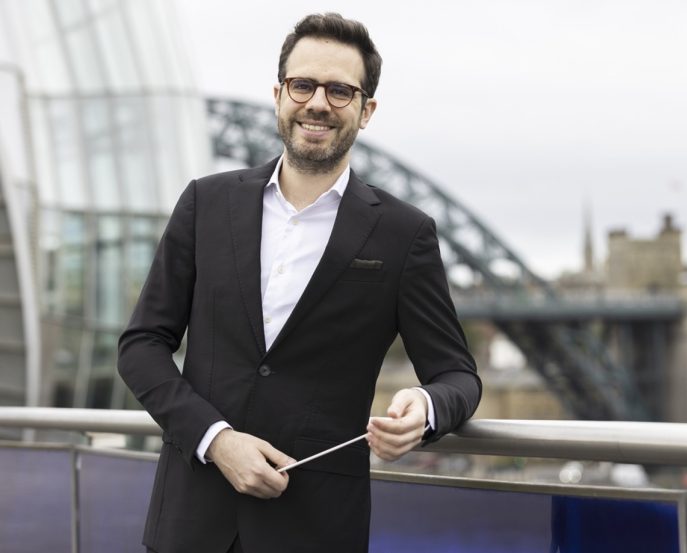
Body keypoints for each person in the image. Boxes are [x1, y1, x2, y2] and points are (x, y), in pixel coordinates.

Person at [117, 12, 481, 553]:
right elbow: (141, 345)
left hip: (317, 530)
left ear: (366, 110)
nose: (317, 103)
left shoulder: (405, 235)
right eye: (303, 84)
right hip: (188, 526)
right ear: (279, 94)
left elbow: (457, 375)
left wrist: (425, 407)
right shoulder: (204, 203)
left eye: (340, 90)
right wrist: (215, 441)